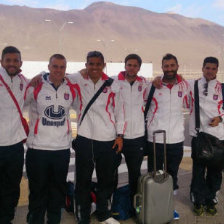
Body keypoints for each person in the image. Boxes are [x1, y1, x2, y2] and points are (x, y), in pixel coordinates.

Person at [69, 51, 125, 224]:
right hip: (84, 137)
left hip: (107, 138)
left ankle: (104, 214)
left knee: (106, 180)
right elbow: (54, 75)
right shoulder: (77, 80)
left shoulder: (113, 85)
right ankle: (83, 215)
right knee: (83, 180)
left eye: (98, 64)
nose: (94, 67)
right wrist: (74, 134)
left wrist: (120, 135)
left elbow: (120, 112)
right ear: (85, 65)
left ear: (103, 65)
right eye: (90, 64)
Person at [24, 54, 79, 224]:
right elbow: (18, 104)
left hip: (61, 150)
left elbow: (82, 108)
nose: (58, 70)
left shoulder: (71, 88)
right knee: (37, 192)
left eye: (62, 67)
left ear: (66, 69)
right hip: (38, 149)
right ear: (48, 67)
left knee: (57, 192)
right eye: (55, 66)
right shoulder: (36, 86)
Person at [144, 53, 190, 220]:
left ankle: (169, 207)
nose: (169, 69)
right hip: (155, 138)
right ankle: (152, 207)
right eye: (166, 66)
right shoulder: (153, 86)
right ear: (162, 67)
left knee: (172, 175)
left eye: (172, 66)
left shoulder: (185, 86)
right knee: (154, 174)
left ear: (177, 66)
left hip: (176, 139)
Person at [189, 57, 224, 216]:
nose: (210, 71)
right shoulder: (193, 85)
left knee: (215, 172)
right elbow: (174, 82)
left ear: (217, 70)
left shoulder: (222, 88)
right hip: (199, 136)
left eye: (213, 68)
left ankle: (211, 199)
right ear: (202, 68)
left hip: (219, 138)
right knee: (198, 171)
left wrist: (221, 118)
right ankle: (198, 200)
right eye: (207, 68)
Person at [114, 54, 147, 215]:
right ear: (125, 65)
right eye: (129, 64)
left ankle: (135, 207)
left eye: (135, 65)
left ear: (139, 67)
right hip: (117, 136)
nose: (131, 68)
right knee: (111, 172)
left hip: (137, 137)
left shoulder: (144, 83)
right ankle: (112, 204)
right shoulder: (114, 82)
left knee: (135, 173)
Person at [0, 46, 29, 224]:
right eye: (8, 60)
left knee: (11, 185)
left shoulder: (24, 82)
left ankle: (6, 219)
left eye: (15, 60)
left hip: (15, 145)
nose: (12, 64)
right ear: (2, 62)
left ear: (20, 63)